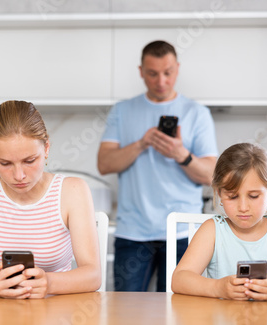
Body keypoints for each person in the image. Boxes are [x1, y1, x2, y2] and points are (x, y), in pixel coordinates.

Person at [97, 40, 218, 292]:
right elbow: (104, 163)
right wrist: (141, 143)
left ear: (177, 69)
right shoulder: (122, 110)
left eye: (168, 72)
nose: (161, 81)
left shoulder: (198, 113)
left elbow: (211, 176)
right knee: (126, 314)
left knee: (179, 313)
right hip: (132, 233)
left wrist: (181, 154)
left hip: (184, 232)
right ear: (141, 71)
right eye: (152, 73)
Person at [0, 100, 101, 299]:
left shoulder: (73, 190)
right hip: (0, 314)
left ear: (46, 148)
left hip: (59, 314)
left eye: (29, 161)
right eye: (4, 163)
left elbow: (93, 275)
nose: (19, 175)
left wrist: (48, 283)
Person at [172, 143, 267, 300]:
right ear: (219, 193)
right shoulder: (212, 230)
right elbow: (179, 279)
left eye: (254, 196)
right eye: (232, 196)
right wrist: (217, 288)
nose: (243, 207)